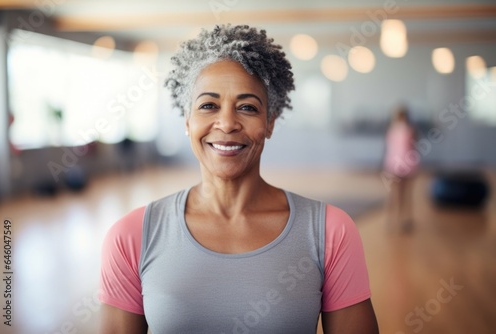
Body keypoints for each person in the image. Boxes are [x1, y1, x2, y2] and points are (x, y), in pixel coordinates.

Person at [98, 24, 379, 334]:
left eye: (247, 107)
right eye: (208, 105)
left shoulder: (331, 232)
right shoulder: (131, 237)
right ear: (187, 121)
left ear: (270, 123)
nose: (228, 123)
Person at [383, 105, 419, 232]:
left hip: (405, 164)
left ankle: (404, 219)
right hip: (396, 164)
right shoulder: (394, 130)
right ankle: (394, 220)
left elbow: (413, 147)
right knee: (395, 194)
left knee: (404, 194)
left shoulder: (407, 130)